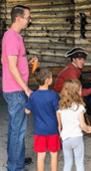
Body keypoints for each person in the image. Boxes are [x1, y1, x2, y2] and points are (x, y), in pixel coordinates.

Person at [1, 5, 34, 170]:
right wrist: (26, 89)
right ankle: (15, 167)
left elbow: (11, 63)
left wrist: (27, 65)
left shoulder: (15, 37)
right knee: (18, 130)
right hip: (15, 91)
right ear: (18, 18)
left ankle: (16, 159)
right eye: (28, 17)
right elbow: (12, 67)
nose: (30, 20)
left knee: (16, 128)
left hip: (14, 88)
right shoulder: (12, 37)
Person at [25, 68, 61, 171]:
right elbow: (58, 112)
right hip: (53, 130)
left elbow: (27, 111)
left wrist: (30, 99)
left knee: (40, 156)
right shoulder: (53, 95)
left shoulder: (33, 96)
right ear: (48, 80)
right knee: (54, 155)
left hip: (39, 131)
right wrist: (60, 126)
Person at [57, 79, 91, 171]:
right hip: (76, 138)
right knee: (79, 163)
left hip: (65, 139)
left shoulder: (61, 108)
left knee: (67, 163)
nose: (81, 92)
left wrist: (61, 135)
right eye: (80, 90)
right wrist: (88, 129)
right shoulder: (79, 107)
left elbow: (59, 126)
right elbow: (82, 125)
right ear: (75, 93)